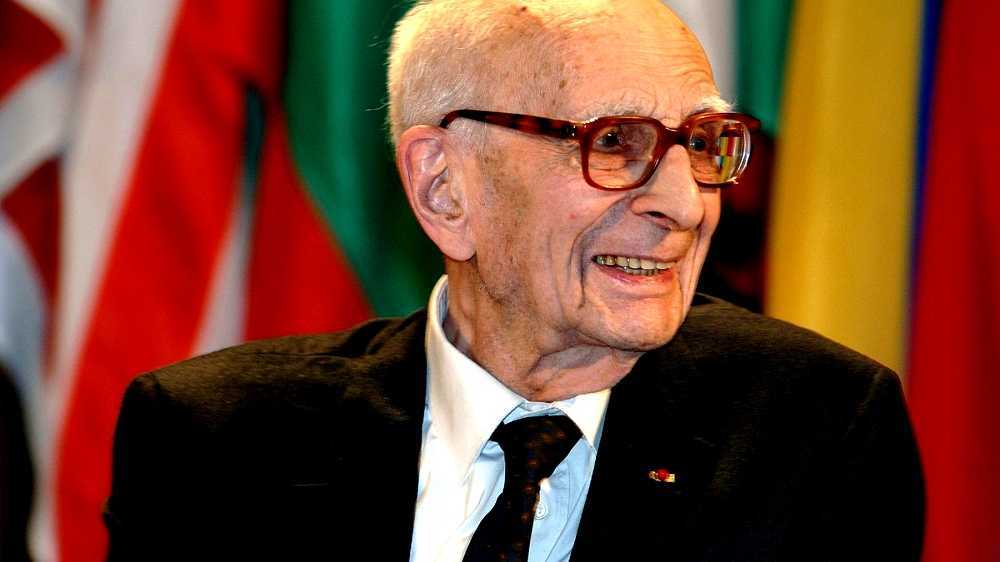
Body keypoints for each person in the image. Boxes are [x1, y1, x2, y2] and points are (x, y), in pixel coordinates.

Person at [103, 1, 924, 560]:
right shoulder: (213, 439)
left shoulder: (817, 430)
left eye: (706, 144)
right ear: (444, 187)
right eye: (615, 142)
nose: (684, 205)